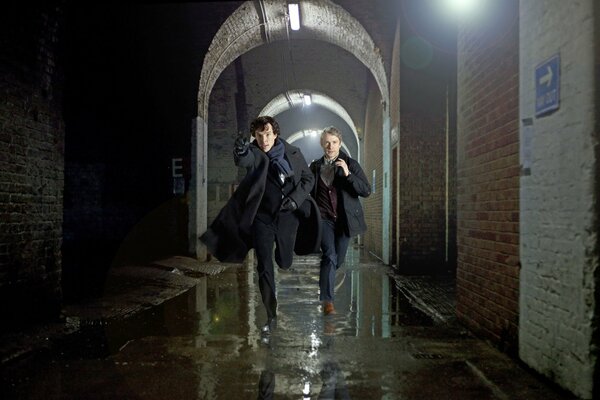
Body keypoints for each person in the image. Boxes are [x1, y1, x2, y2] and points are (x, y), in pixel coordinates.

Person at [201, 116, 318, 334]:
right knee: (264, 266)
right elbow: (243, 160)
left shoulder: (293, 153)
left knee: (283, 262)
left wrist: (295, 199)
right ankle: (271, 312)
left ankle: (283, 256)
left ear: (275, 134)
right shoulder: (255, 154)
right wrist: (240, 150)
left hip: (287, 216)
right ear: (255, 136)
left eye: (267, 134)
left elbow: (308, 179)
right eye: (259, 135)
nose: (264, 139)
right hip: (261, 218)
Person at [309, 126, 370, 315]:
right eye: (327, 142)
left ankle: (326, 278)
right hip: (324, 219)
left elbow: (366, 190)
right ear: (322, 144)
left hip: (344, 221)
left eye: (334, 142)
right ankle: (328, 301)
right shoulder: (315, 167)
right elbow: (309, 192)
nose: (330, 146)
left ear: (339, 143)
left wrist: (348, 174)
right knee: (329, 255)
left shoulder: (350, 164)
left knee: (338, 259)